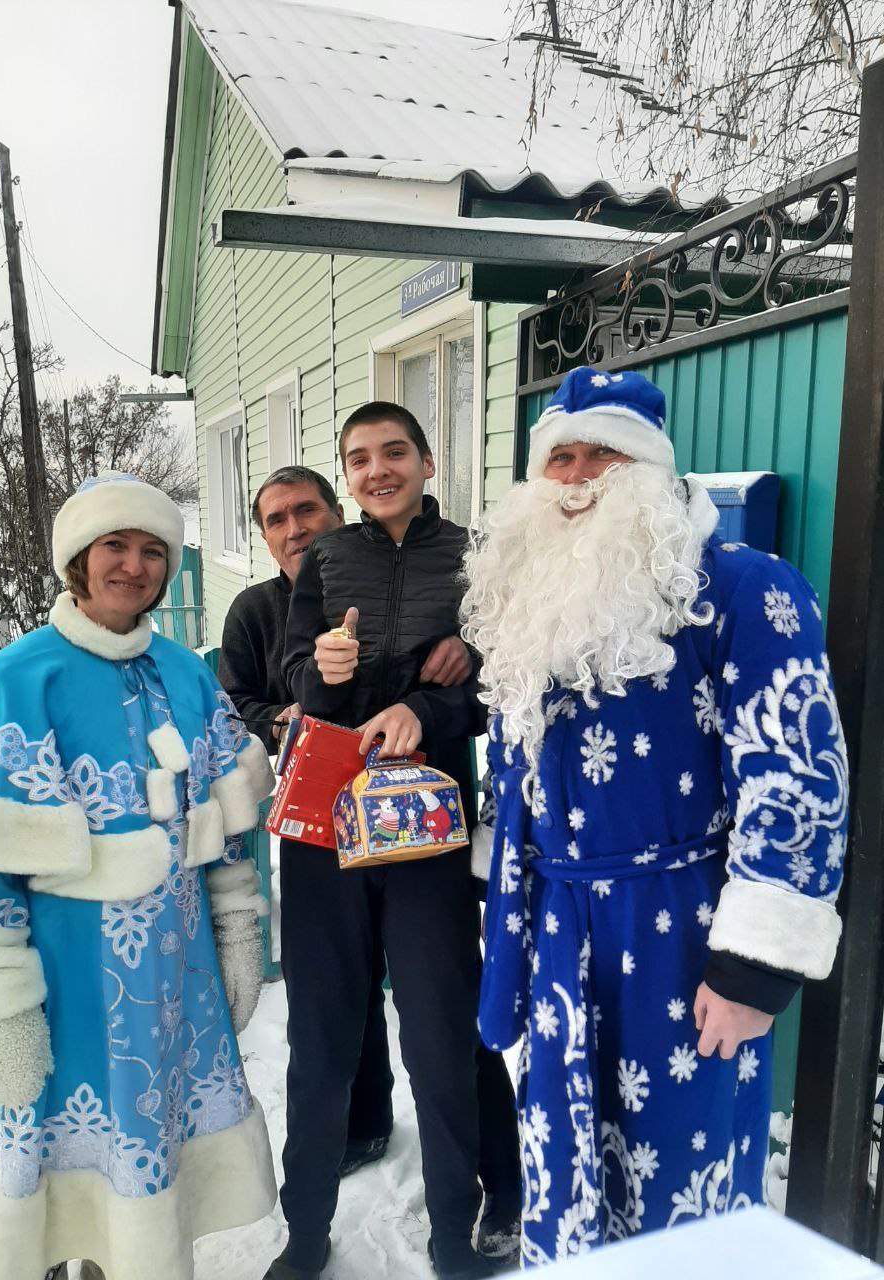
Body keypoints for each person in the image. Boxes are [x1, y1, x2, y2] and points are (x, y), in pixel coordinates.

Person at [461, 366, 849, 1263]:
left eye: (604, 455)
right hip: (560, 937)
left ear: (650, 470)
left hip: (682, 938)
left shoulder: (745, 588)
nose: (578, 478)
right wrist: (510, 929)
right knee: (565, 1173)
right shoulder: (533, 605)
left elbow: (796, 774)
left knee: (683, 1177)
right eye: (560, 458)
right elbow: (515, 782)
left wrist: (754, 969)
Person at [0, 472, 278, 1280]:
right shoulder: (19, 678)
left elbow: (227, 826)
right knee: (56, 1150)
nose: (135, 565)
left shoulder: (186, 674)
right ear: (78, 559)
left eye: (154, 550)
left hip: (175, 976)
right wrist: (2, 1007)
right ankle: (57, 1261)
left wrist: (236, 928)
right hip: (66, 977)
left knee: (152, 1150)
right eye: (115, 545)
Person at [267, 404, 520, 1280]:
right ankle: (305, 1236)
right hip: (325, 831)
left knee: (443, 1037)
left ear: (427, 460)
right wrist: (322, 672)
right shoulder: (326, 557)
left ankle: (455, 1235)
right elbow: (292, 675)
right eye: (359, 458)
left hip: (426, 826)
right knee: (322, 1041)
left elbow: (503, 681)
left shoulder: (478, 558)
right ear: (347, 474)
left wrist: (430, 704)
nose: (377, 469)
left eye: (394, 452)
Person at [220, 463, 469, 1176]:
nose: (294, 528)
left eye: (307, 510)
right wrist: (280, 720)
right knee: (335, 992)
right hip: (319, 815)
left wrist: (468, 653)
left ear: (338, 513)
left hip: (413, 813)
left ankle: (468, 1165)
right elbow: (233, 701)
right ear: (264, 537)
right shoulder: (255, 612)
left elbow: (474, 657)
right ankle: (360, 1126)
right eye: (276, 519)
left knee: (434, 997)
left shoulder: (410, 576)